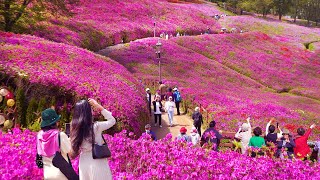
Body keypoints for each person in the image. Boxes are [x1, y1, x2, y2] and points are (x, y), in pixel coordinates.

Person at [70, 99, 116, 180]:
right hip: (97, 161)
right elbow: (112, 121)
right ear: (88, 112)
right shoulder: (96, 126)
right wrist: (99, 107)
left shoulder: (74, 129)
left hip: (84, 162)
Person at [36, 108, 71, 180]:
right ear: (55, 122)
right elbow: (69, 151)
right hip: (61, 173)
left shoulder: (39, 135)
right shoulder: (60, 135)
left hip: (47, 174)